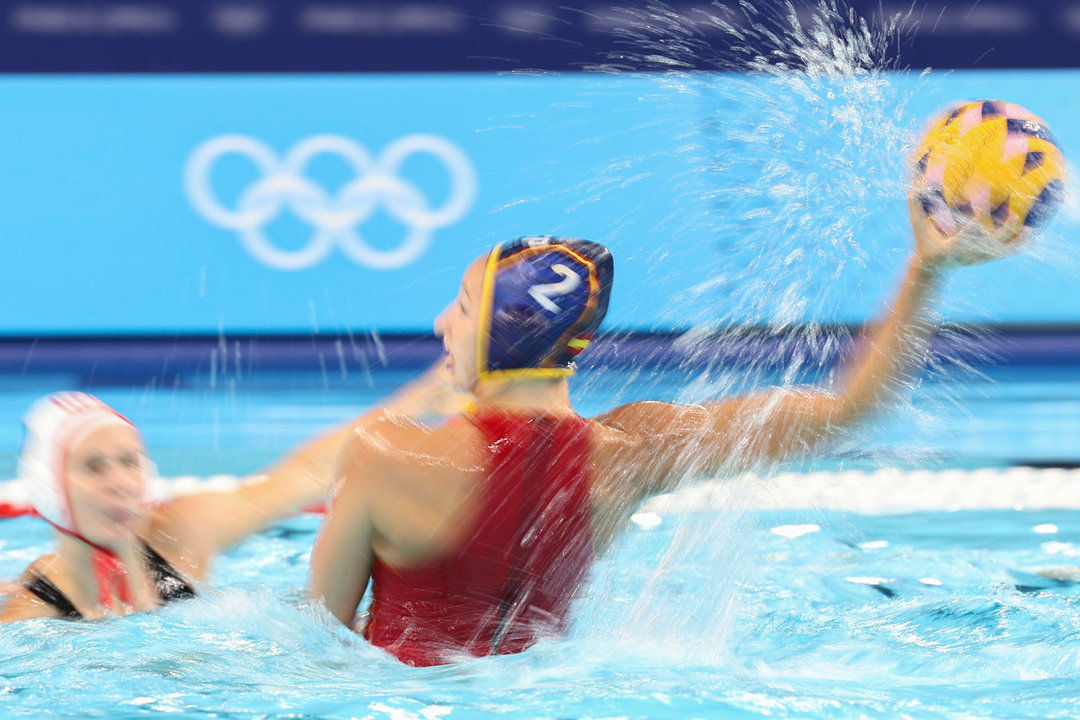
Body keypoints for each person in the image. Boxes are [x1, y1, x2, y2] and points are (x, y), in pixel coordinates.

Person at [308, 197, 1024, 667]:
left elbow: (316, 649)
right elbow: (848, 410)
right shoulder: (634, 453)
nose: (440, 324)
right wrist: (927, 268)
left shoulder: (386, 454)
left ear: (498, 331)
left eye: (461, 308)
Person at [0, 365, 464, 623]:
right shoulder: (32, 612)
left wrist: (420, 397)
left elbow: (305, 474)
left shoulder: (182, 532)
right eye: (93, 467)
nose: (120, 481)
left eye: (129, 461)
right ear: (50, 489)